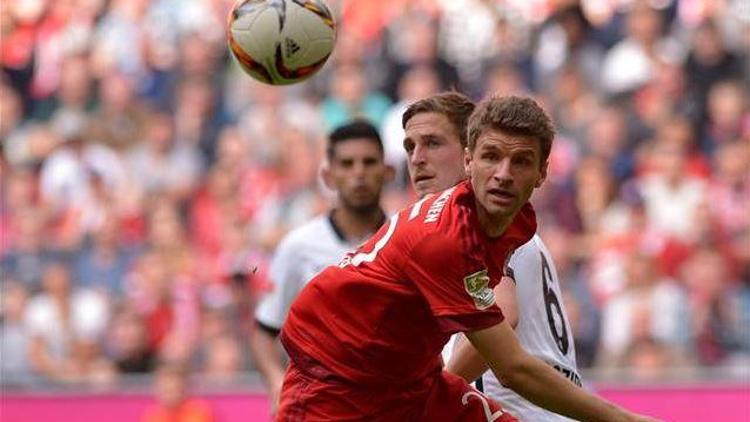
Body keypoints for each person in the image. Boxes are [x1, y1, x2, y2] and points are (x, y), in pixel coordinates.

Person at [277, 95, 656, 421]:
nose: (504, 175)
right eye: (492, 157)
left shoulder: (509, 224)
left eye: (521, 162)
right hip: (335, 385)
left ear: (543, 173)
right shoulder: (442, 237)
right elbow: (510, 365)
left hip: (418, 384)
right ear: (470, 159)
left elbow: (502, 333)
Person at [402, 91, 581, 421]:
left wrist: (426, 405)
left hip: (522, 411)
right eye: (410, 146)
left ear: (468, 154)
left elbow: (504, 314)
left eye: (433, 143)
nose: (418, 158)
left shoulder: (495, 225)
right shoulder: (454, 231)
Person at [249, 120, 392, 414]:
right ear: (328, 176)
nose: (359, 173)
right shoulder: (298, 246)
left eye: (368, 162)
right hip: (320, 407)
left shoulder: (405, 241)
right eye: (347, 164)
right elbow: (264, 330)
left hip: (391, 405)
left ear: (387, 171)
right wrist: (276, 381)